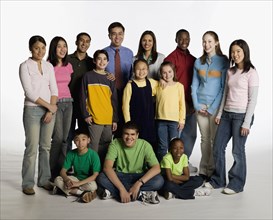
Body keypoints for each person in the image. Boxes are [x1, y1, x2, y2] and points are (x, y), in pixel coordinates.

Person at [204, 39, 259, 195]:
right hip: (227, 114)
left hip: (241, 116)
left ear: (245, 52)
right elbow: (225, 95)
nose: (235, 55)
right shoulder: (230, 72)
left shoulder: (252, 73)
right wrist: (220, 114)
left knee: (237, 150)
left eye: (238, 51)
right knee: (218, 147)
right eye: (233, 52)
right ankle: (218, 180)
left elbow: (252, 100)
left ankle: (236, 184)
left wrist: (246, 123)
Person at [19, 35, 58, 195]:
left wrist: (50, 110)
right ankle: (28, 183)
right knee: (32, 147)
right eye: (37, 48)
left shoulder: (49, 66)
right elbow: (29, 92)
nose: (40, 51)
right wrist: (49, 106)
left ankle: (43, 180)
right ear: (31, 49)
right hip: (32, 110)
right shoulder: (25, 66)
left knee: (45, 147)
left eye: (43, 48)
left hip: (49, 111)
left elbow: (54, 89)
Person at [191, 31, 229, 181]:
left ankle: (213, 171)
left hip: (215, 106)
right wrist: (196, 104)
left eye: (209, 41)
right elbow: (194, 86)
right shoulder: (198, 62)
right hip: (200, 105)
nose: (206, 45)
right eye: (204, 42)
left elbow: (223, 88)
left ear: (216, 42)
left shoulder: (223, 61)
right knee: (204, 139)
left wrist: (212, 108)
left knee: (214, 140)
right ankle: (203, 170)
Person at [96, 121, 164, 204]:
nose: (129, 137)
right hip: (121, 176)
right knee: (101, 178)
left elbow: (156, 168)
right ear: (122, 134)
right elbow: (107, 167)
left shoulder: (145, 145)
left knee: (159, 180)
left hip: (139, 176)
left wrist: (138, 184)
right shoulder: (115, 143)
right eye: (126, 134)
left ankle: (114, 193)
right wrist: (121, 189)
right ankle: (140, 194)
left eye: (132, 134)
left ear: (137, 135)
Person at [164, 29, 197, 173]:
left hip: (191, 103)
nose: (184, 41)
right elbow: (165, 79)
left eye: (187, 38)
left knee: (191, 134)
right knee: (177, 136)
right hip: (176, 104)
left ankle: (184, 161)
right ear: (176, 39)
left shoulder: (194, 60)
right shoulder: (170, 58)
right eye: (181, 38)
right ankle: (172, 164)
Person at [80, 49, 118, 165]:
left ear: (108, 62)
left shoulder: (109, 78)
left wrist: (115, 119)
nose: (102, 61)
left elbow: (114, 100)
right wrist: (86, 115)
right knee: (93, 145)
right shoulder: (88, 76)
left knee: (106, 145)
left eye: (105, 59)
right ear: (94, 61)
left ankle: (102, 170)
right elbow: (82, 96)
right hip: (95, 118)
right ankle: (91, 170)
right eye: (99, 59)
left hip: (108, 118)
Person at [47, 36, 73, 181]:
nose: (63, 49)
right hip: (55, 104)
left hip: (69, 103)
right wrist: (50, 106)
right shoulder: (48, 65)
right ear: (53, 48)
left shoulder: (68, 65)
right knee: (56, 139)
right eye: (59, 46)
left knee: (65, 139)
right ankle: (50, 172)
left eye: (65, 46)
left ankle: (62, 171)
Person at [53, 128, 100, 203]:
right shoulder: (71, 154)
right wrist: (67, 180)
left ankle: (66, 190)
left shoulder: (93, 155)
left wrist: (77, 184)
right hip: (76, 178)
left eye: (83, 139)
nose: (80, 143)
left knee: (93, 186)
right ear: (74, 141)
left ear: (88, 140)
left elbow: (95, 175)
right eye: (77, 140)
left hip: (87, 180)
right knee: (57, 180)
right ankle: (80, 193)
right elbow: (62, 171)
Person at [104, 22, 134, 138]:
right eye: (114, 34)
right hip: (109, 93)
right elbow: (99, 70)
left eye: (120, 34)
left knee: (125, 123)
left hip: (126, 92)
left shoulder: (129, 53)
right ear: (109, 36)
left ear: (124, 35)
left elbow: (133, 73)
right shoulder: (103, 52)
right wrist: (106, 74)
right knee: (110, 124)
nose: (117, 37)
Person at [67, 32, 96, 152]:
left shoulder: (92, 62)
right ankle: (66, 165)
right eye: (81, 40)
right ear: (76, 42)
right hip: (68, 102)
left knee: (85, 135)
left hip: (85, 104)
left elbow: (100, 72)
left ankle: (84, 165)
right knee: (67, 135)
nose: (84, 43)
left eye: (87, 41)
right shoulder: (67, 59)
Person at [122, 59, 158, 148]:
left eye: (144, 69)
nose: (141, 71)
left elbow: (163, 87)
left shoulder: (152, 82)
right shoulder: (130, 85)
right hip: (135, 122)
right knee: (137, 146)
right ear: (134, 70)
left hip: (149, 121)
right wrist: (128, 124)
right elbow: (125, 106)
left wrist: (164, 81)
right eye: (138, 69)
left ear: (148, 70)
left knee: (150, 145)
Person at [155, 61, 186, 162]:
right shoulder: (158, 85)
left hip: (174, 122)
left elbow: (182, 104)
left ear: (174, 72)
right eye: (164, 73)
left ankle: (173, 168)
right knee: (162, 146)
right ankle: (162, 168)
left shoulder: (179, 86)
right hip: (160, 120)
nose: (167, 75)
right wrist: (159, 80)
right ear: (160, 73)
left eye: (169, 71)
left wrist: (182, 120)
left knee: (174, 146)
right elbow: (146, 82)